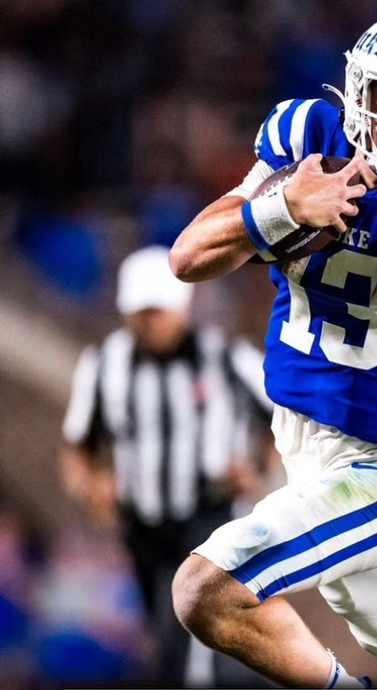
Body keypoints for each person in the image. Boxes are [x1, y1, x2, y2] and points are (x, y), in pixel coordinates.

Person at [168, 10, 377, 689]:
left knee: (205, 591)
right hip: (305, 447)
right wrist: (283, 207)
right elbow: (188, 257)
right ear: (356, 96)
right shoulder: (308, 139)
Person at [61, 245, 274, 688]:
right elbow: (79, 443)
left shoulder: (226, 357)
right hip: (141, 523)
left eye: (157, 310)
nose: (148, 321)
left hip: (211, 517)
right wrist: (89, 484)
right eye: (140, 311)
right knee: (166, 633)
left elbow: (283, 419)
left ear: (182, 306)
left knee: (192, 641)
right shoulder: (105, 364)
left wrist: (257, 472)